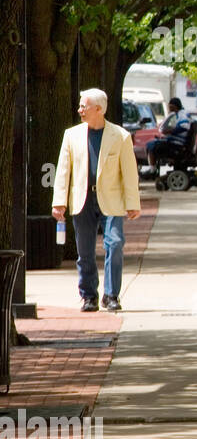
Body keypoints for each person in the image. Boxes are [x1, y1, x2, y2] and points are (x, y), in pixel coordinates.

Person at [51, 89, 142, 312]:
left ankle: (111, 295)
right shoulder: (71, 135)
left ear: (98, 110)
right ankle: (89, 295)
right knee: (85, 251)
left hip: (111, 201)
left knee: (115, 243)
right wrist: (59, 201)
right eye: (80, 106)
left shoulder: (120, 136)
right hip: (82, 199)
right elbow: (63, 171)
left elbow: (129, 173)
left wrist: (133, 203)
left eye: (84, 106)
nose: (79, 110)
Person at [146, 97, 192, 169]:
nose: (169, 108)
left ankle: (152, 169)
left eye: (170, 106)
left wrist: (170, 131)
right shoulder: (181, 114)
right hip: (178, 142)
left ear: (174, 106)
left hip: (177, 144)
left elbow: (184, 126)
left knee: (150, 145)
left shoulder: (182, 115)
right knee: (154, 143)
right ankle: (153, 168)